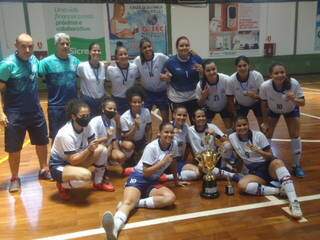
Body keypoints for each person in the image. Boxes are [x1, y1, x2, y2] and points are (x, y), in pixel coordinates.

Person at [102, 122, 188, 240]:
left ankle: (136, 203)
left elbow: (173, 162)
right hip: (139, 178)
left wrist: (176, 180)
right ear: (159, 133)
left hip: (153, 181)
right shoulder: (151, 147)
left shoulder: (174, 145)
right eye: (166, 132)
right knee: (127, 203)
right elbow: (146, 172)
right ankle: (114, 229)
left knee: (170, 198)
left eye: (171, 132)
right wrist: (162, 162)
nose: (169, 135)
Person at [0, 33, 51, 192]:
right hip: (14, 113)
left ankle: (44, 169)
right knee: (14, 148)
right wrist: (0, 113)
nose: (27, 49)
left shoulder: (34, 60)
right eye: (23, 46)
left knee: (42, 142)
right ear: (16, 46)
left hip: (35, 110)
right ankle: (15, 178)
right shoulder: (7, 65)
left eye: (30, 46)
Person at [228, 116, 303, 218]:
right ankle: (278, 191)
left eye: (244, 124)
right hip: (256, 172)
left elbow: (270, 155)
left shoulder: (258, 135)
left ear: (248, 125)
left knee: (278, 162)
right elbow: (234, 151)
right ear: (234, 127)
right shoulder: (232, 137)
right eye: (239, 125)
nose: (242, 127)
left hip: (268, 166)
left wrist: (258, 151)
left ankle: (294, 202)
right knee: (242, 186)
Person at [49, 99, 112, 201]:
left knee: (102, 150)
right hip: (59, 166)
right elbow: (73, 160)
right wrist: (88, 150)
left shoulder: (87, 126)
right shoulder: (66, 134)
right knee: (86, 176)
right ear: (73, 116)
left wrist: (106, 138)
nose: (86, 118)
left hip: (77, 158)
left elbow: (94, 143)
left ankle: (98, 182)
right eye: (83, 116)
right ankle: (62, 185)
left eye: (88, 115)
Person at [260, 63, 305, 177]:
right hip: (273, 110)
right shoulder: (265, 86)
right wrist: (265, 122)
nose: (280, 75)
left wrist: (293, 98)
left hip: (290, 110)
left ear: (286, 73)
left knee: (295, 135)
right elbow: (263, 104)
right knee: (267, 134)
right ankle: (267, 163)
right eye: (276, 73)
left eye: (282, 72)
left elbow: (303, 102)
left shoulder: (293, 83)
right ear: (271, 75)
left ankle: (296, 165)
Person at [39, 33, 80, 140]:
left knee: (75, 134)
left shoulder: (75, 61)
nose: (65, 46)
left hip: (73, 106)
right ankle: (56, 157)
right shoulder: (46, 62)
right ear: (56, 45)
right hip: (56, 107)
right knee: (57, 138)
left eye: (67, 43)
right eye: (62, 44)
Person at [188, 108, 240, 180]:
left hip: (214, 158)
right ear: (193, 119)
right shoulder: (189, 130)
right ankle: (232, 175)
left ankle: (223, 167)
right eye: (198, 117)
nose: (201, 118)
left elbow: (226, 140)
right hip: (201, 160)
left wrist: (215, 135)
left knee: (227, 145)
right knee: (201, 167)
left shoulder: (212, 126)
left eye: (203, 116)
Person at [161, 36, 203, 121]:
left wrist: (202, 71)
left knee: (196, 122)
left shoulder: (196, 59)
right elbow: (162, 76)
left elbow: (206, 72)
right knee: (178, 123)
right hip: (177, 98)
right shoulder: (170, 62)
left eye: (186, 45)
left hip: (194, 97)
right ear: (177, 48)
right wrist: (165, 77)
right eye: (181, 45)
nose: (184, 47)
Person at [89, 97, 134, 173]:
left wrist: (116, 151)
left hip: (109, 146)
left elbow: (113, 139)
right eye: (110, 108)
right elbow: (93, 142)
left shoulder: (112, 121)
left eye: (114, 109)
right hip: (96, 148)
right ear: (103, 109)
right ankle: (100, 170)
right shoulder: (95, 121)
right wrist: (106, 139)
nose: (112, 111)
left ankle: (110, 163)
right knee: (103, 151)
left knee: (121, 156)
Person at [159, 105, 200, 181]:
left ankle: (167, 177)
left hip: (178, 161)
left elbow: (188, 145)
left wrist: (185, 159)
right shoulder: (167, 127)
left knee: (196, 172)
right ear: (174, 115)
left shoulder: (186, 127)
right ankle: (168, 174)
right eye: (179, 115)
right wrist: (171, 135)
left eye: (184, 115)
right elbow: (158, 142)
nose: (182, 117)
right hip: (164, 161)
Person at [133, 38, 169, 122]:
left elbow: (172, 64)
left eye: (149, 46)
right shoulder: (137, 60)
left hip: (162, 92)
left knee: (165, 119)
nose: (147, 49)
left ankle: (164, 133)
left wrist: (168, 74)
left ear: (152, 47)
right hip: (147, 93)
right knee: (144, 119)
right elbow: (130, 69)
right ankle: (147, 134)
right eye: (144, 48)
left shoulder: (161, 57)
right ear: (141, 50)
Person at [196, 59, 233, 135]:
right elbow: (199, 104)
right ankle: (206, 143)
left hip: (224, 106)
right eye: (208, 70)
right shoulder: (200, 85)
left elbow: (232, 96)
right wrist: (203, 97)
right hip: (209, 108)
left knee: (229, 126)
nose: (212, 72)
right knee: (204, 126)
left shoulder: (226, 79)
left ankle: (232, 139)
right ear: (204, 72)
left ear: (217, 68)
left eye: (213, 69)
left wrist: (231, 108)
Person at [226, 55, 264, 127]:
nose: (242, 68)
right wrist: (235, 114)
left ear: (249, 65)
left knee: (262, 124)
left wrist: (255, 96)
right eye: (239, 66)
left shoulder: (257, 76)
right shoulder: (231, 80)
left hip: (256, 103)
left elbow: (264, 97)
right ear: (236, 67)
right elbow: (230, 99)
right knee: (238, 124)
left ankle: (263, 136)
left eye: (244, 65)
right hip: (241, 105)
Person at [120, 86, 152, 166]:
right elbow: (127, 137)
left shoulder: (146, 112)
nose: (137, 104)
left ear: (142, 102)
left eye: (139, 102)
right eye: (134, 102)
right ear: (130, 103)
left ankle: (137, 155)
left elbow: (149, 129)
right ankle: (128, 158)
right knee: (129, 146)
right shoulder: (124, 117)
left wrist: (148, 143)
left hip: (141, 141)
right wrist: (135, 126)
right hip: (129, 141)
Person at [106, 43, 139, 114]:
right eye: (120, 55)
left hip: (130, 99)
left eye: (125, 54)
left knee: (132, 122)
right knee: (118, 122)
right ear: (116, 57)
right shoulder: (110, 69)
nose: (123, 56)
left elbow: (138, 81)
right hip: (117, 100)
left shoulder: (134, 67)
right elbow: (107, 84)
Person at [77, 43, 106, 117]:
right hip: (88, 101)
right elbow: (77, 78)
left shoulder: (102, 65)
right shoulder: (82, 66)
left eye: (98, 51)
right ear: (89, 52)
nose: (96, 52)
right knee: (88, 123)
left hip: (101, 101)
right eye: (94, 50)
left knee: (100, 122)